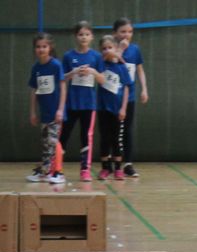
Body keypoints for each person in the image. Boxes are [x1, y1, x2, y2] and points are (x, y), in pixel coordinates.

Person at [60, 21, 104, 182]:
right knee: (63, 135)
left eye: (87, 34)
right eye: (80, 34)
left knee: (86, 136)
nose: (84, 37)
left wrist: (92, 71)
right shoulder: (68, 56)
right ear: (75, 36)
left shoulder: (96, 57)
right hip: (71, 103)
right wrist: (73, 72)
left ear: (91, 37)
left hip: (89, 104)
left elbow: (102, 80)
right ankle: (56, 168)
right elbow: (62, 78)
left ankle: (85, 169)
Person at [27, 32, 66, 184]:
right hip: (44, 113)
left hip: (56, 113)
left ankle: (58, 172)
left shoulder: (56, 65)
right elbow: (34, 90)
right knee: (45, 143)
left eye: (44, 46)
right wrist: (32, 112)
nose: (41, 49)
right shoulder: (35, 68)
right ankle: (45, 172)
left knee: (53, 141)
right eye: (38, 47)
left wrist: (60, 109)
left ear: (50, 47)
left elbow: (63, 87)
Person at [112, 16, 149, 178]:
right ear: (115, 33)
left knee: (127, 130)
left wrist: (144, 89)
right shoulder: (110, 47)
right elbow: (112, 61)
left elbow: (139, 70)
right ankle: (112, 163)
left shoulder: (135, 50)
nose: (126, 35)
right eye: (123, 31)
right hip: (112, 97)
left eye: (129, 32)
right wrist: (120, 48)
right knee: (112, 131)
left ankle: (128, 163)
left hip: (129, 97)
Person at [96, 35, 132, 180]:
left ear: (116, 49)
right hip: (102, 108)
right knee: (104, 138)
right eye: (104, 48)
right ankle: (105, 168)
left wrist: (123, 108)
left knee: (116, 139)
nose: (107, 51)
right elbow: (97, 72)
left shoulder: (121, 67)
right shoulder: (101, 65)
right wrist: (105, 57)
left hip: (117, 109)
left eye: (110, 48)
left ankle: (118, 168)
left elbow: (126, 88)